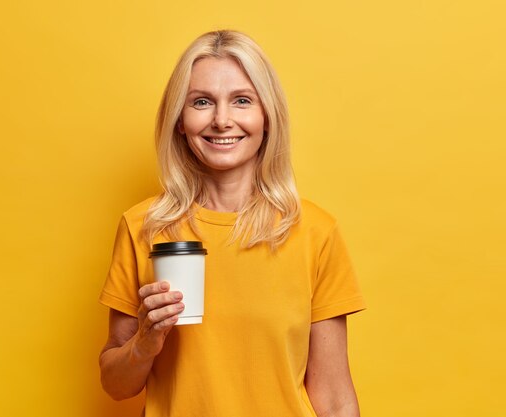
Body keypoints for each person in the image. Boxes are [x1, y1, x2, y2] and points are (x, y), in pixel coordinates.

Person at [99, 30, 365, 417]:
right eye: (202, 102)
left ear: (266, 117)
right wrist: (145, 342)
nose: (222, 121)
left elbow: (335, 399)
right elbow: (115, 386)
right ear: (179, 120)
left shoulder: (314, 232)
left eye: (242, 101)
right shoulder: (144, 227)